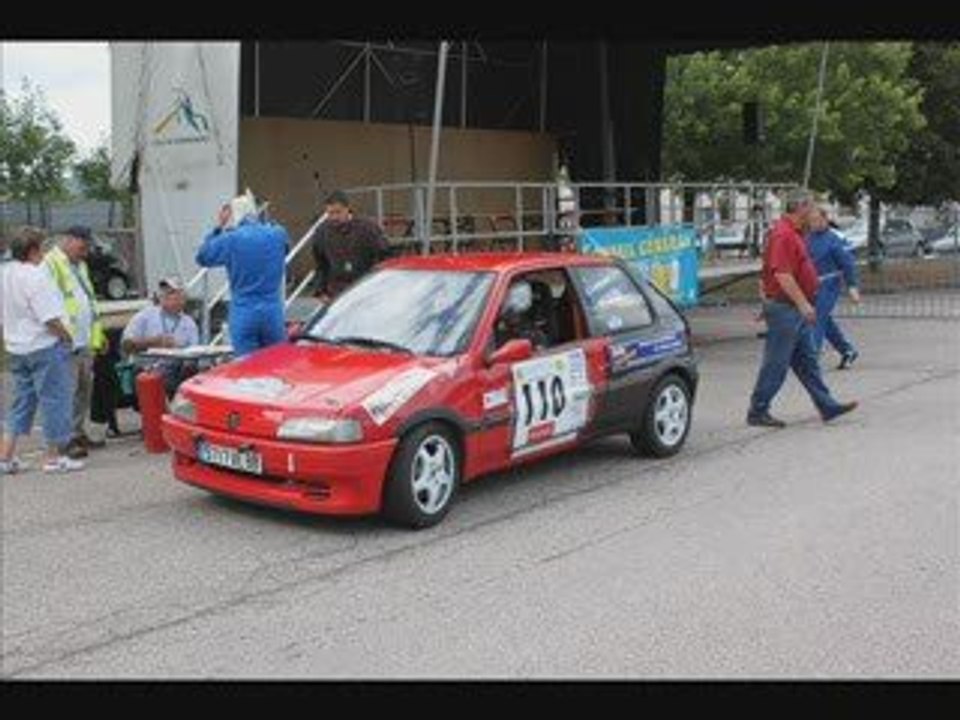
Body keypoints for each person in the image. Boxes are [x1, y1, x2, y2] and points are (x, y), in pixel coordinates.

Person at [746, 190, 858, 428]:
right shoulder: (783, 235)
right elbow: (782, 274)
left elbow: (769, 273)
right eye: (812, 209)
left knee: (807, 362)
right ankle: (758, 410)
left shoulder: (794, 233)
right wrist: (803, 304)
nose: (815, 214)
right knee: (776, 363)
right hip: (786, 309)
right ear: (801, 209)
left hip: (791, 309)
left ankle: (826, 405)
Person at [1, 227, 84, 474]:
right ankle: (53, 457)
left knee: (21, 401)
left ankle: (5, 457)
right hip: (43, 345)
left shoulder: (5, 274)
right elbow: (49, 317)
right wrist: (68, 337)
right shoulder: (37, 276)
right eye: (43, 247)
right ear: (34, 250)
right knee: (55, 400)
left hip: (16, 347)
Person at [195, 189, 289, 357]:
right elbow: (285, 248)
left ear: (234, 215)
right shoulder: (277, 233)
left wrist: (219, 227)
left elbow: (203, 256)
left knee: (246, 370)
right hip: (273, 311)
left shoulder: (230, 239)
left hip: (243, 311)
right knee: (277, 365)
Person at [43, 225, 108, 459]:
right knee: (65, 392)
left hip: (84, 340)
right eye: (82, 246)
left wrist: (97, 336)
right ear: (68, 240)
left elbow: (87, 301)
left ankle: (77, 432)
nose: (85, 251)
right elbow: (44, 303)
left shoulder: (79, 264)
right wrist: (60, 334)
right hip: (64, 341)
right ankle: (64, 440)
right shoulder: (50, 264)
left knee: (83, 390)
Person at [122, 276, 200, 397]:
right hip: (145, 370)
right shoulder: (145, 316)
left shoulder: (189, 323)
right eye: (165, 293)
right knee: (150, 380)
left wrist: (180, 351)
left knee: (192, 374)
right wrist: (153, 342)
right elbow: (126, 345)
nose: (168, 296)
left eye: (173, 292)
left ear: (183, 298)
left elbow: (194, 354)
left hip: (174, 372)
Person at [310, 190, 391, 302]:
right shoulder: (321, 232)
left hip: (365, 288)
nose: (334, 217)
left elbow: (385, 256)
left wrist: (379, 285)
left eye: (338, 212)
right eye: (330, 213)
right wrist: (320, 291)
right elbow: (321, 264)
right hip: (335, 292)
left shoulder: (368, 228)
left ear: (347, 208)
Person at [806, 207, 861, 369]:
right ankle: (847, 350)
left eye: (816, 220)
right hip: (810, 285)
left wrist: (852, 286)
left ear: (825, 219)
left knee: (816, 317)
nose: (813, 224)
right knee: (824, 321)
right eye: (811, 221)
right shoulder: (807, 237)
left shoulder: (836, 238)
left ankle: (812, 357)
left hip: (829, 284)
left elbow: (848, 263)